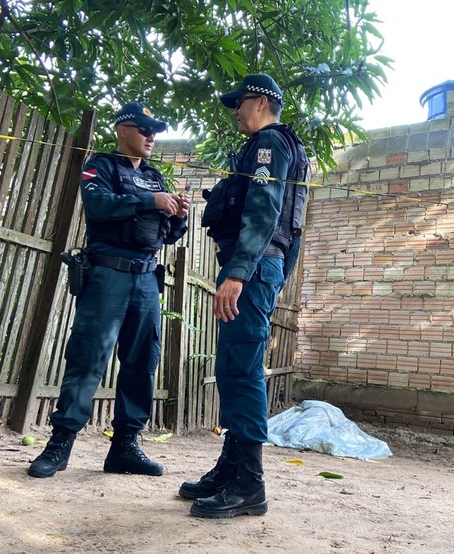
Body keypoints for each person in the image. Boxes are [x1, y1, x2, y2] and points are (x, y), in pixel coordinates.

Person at [28, 102, 190, 478]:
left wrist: (178, 217)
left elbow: (163, 236)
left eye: (155, 130)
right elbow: (97, 205)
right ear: (122, 130)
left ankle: (125, 447)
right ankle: (61, 443)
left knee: (142, 362)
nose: (151, 136)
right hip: (107, 275)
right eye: (144, 128)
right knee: (88, 357)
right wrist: (149, 201)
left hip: (147, 278)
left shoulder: (155, 177)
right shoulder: (100, 166)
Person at [181, 74, 306, 519]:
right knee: (233, 367)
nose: (235, 110)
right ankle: (231, 468)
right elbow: (292, 228)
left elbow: (264, 209)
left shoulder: (269, 143)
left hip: (249, 265)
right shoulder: (286, 148)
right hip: (258, 266)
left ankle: (249, 484)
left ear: (260, 102)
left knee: (242, 368)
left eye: (240, 103)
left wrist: (239, 272)